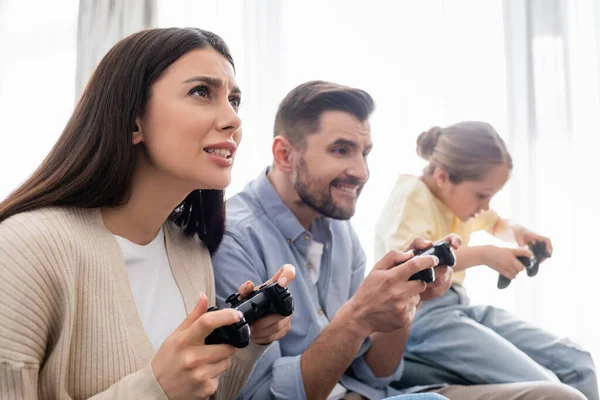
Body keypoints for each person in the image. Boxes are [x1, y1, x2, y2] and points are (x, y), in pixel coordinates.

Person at [212, 81, 586, 400]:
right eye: (341, 150)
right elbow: (259, 395)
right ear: (284, 154)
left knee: (561, 391)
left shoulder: (339, 230)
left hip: (378, 393)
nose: (361, 171)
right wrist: (358, 318)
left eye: (365, 152)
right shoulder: (234, 238)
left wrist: (409, 298)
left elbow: (375, 374)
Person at [0, 27, 295, 400]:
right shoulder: (25, 248)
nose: (233, 120)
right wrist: (156, 389)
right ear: (134, 120)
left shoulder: (190, 252)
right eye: (201, 92)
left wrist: (249, 342)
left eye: (234, 100)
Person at [374, 121, 598, 400]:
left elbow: (494, 222)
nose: (486, 205)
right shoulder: (412, 198)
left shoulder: (455, 198)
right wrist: (486, 254)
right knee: (550, 388)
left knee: (579, 365)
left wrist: (520, 233)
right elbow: (414, 264)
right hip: (424, 317)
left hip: (460, 305)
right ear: (443, 177)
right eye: (482, 195)